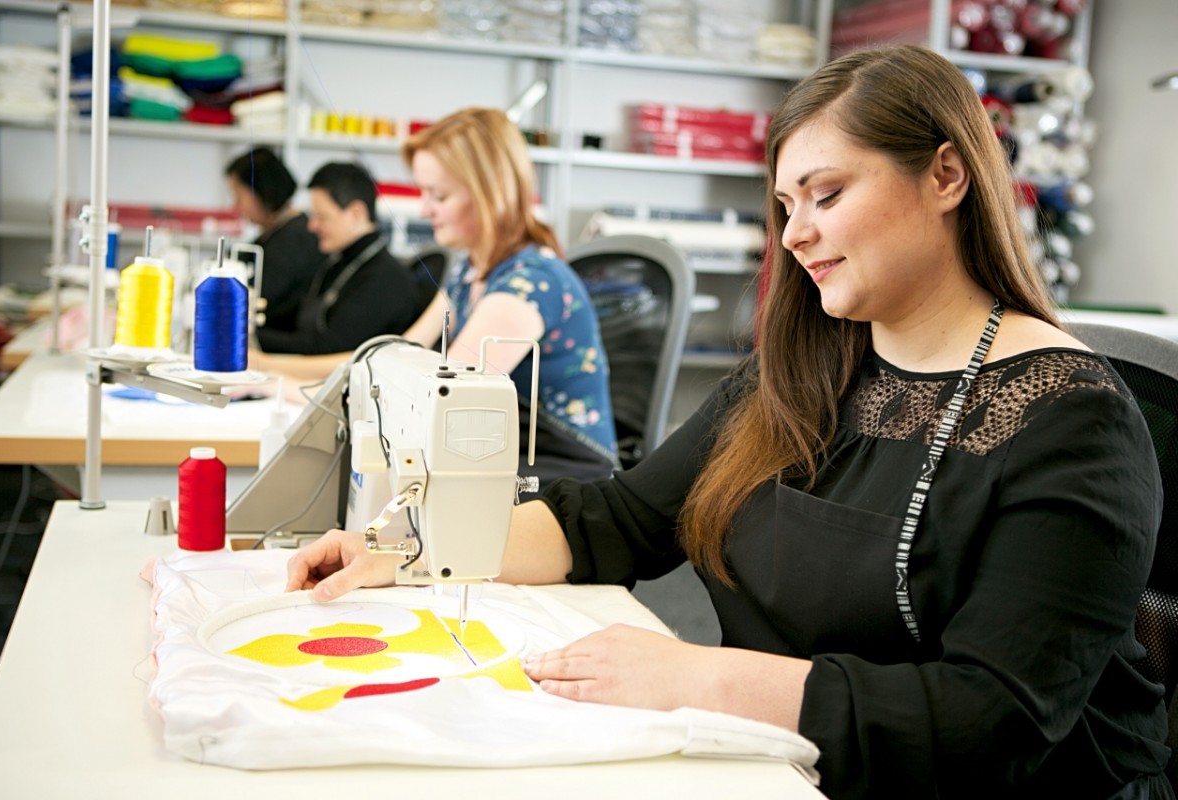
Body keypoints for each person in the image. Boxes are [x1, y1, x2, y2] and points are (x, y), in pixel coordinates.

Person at [283, 46, 1171, 798]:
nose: (795, 235)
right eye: (785, 207)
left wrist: (698, 679)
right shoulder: (803, 371)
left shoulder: (1069, 420)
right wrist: (412, 549)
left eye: (825, 195)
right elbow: (623, 519)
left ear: (946, 174)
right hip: (773, 767)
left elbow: (992, 722)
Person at [259, 108, 620, 482]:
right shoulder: (471, 271)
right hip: (511, 462)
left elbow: (439, 407)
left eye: (439, 195)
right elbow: (392, 358)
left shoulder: (526, 287)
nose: (424, 208)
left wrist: (281, 385)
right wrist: (268, 370)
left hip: (566, 481)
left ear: (489, 193)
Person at [253, 161, 430, 355]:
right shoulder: (337, 261)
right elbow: (296, 321)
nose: (312, 226)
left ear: (356, 213)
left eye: (321, 217)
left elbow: (329, 349)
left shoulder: (383, 279)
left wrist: (252, 340)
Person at [224, 147, 321, 333]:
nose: (235, 205)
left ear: (262, 192)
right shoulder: (275, 233)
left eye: (239, 196)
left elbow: (260, 298)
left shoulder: (296, 239)